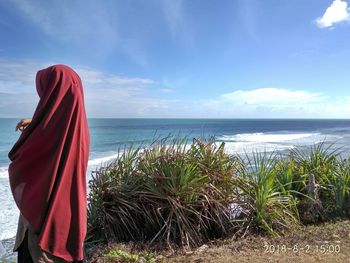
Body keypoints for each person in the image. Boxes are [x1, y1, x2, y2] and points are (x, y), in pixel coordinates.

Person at [8, 64, 90, 262]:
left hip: (40, 225)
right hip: (68, 220)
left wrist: (34, 129)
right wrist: (36, 122)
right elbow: (55, 125)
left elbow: (19, 158)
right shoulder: (78, 128)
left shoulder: (45, 132)